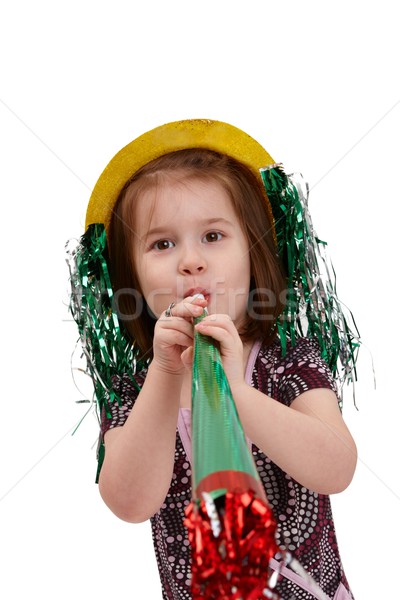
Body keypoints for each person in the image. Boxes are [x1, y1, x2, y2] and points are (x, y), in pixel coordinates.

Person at [69, 119, 357, 599]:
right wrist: (164, 373)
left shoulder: (287, 361)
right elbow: (129, 502)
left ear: (255, 252)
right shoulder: (132, 389)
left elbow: (337, 468)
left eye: (213, 236)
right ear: (132, 278)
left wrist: (238, 393)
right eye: (162, 244)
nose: (190, 261)